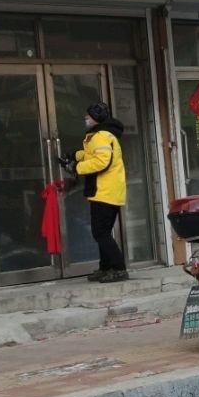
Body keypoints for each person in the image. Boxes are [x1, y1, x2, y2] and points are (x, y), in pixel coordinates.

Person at [69, 101, 128, 283]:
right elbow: (93, 154)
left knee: (100, 233)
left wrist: (78, 167)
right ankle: (106, 267)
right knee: (104, 232)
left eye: (88, 116)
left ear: (95, 118)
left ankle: (118, 268)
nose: (85, 118)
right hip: (108, 191)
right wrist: (74, 156)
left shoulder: (101, 135)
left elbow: (102, 161)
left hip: (105, 192)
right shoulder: (102, 134)